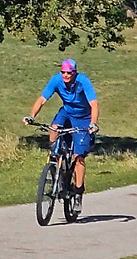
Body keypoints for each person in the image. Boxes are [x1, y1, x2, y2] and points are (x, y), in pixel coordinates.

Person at [23, 58, 99, 195]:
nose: (65, 75)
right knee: (54, 128)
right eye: (63, 72)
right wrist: (32, 116)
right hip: (67, 112)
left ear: (75, 73)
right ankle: (55, 158)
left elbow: (94, 104)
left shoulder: (83, 81)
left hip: (83, 118)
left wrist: (93, 123)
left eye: (69, 73)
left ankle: (78, 191)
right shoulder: (56, 80)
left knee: (78, 157)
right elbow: (42, 99)